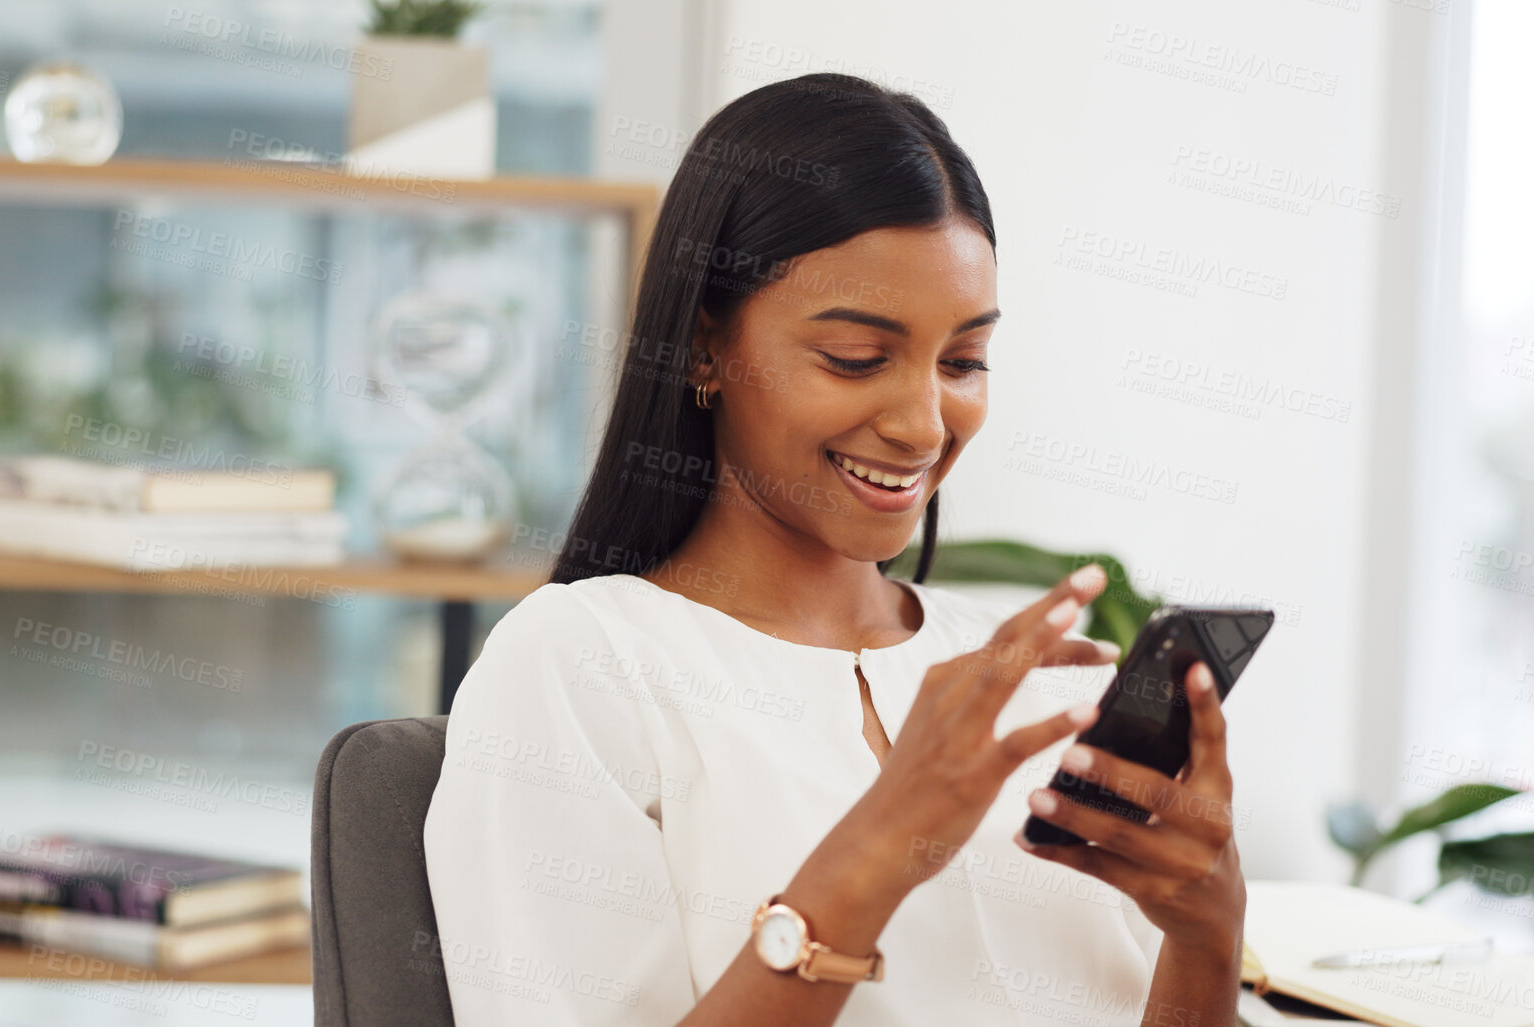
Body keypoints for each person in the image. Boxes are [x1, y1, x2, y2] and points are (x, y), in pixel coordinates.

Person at [424, 72, 1244, 1026]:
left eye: (963, 360)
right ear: (701, 349)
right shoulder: (580, 667)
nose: (923, 424)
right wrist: (877, 847)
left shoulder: (1033, 686)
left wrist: (1206, 932)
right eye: (856, 358)